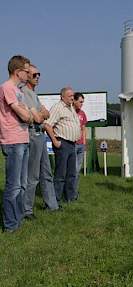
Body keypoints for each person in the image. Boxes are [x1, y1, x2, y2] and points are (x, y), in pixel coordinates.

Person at [22, 64, 59, 219]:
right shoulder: (24, 92)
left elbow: (47, 113)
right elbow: (38, 117)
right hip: (33, 135)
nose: (38, 77)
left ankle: (52, 205)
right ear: (26, 75)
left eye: (39, 74)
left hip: (40, 135)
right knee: (33, 176)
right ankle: (27, 210)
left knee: (46, 172)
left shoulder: (33, 94)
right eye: (34, 74)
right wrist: (41, 114)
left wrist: (41, 114)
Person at [0, 55, 33, 232]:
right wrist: (27, 115)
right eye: (26, 71)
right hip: (13, 141)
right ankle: (10, 225)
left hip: (23, 139)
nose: (28, 74)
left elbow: (28, 114)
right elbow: (25, 115)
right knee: (13, 185)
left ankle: (18, 220)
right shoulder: (7, 88)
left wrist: (27, 114)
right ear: (17, 71)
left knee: (21, 184)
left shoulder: (19, 90)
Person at [44, 87, 80, 203]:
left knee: (71, 173)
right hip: (62, 143)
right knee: (60, 174)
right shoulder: (58, 107)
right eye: (69, 96)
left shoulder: (71, 108)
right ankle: (56, 199)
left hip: (71, 144)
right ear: (62, 97)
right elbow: (47, 125)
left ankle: (70, 197)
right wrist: (54, 141)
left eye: (73, 96)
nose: (72, 98)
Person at [73, 92, 88, 199]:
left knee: (77, 171)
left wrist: (84, 142)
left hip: (80, 145)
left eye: (83, 102)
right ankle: (69, 192)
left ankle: (75, 191)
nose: (82, 104)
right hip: (71, 145)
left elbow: (83, 128)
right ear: (74, 100)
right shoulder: (70, 112)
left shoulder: (82, 113)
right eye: (80, 102)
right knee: (72, 170)